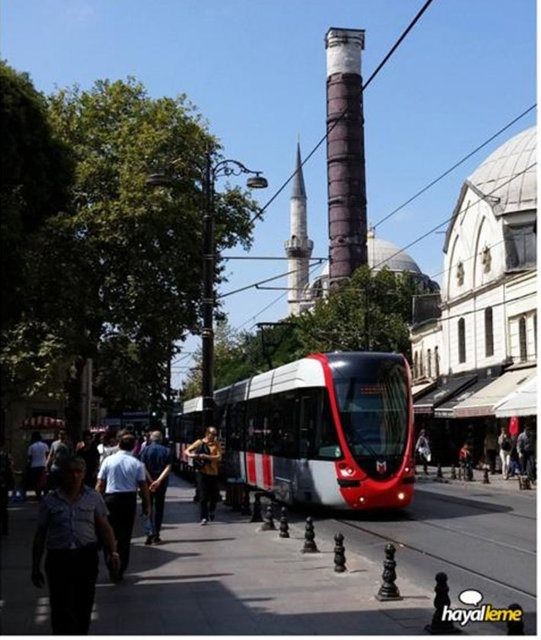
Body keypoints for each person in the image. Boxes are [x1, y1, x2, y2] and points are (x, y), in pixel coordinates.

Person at [31, 456, 119, 635]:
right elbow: (40, 534)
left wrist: (113, 552)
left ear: (84, 474)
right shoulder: (50, 501)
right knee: (60, 605)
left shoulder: (93, 497)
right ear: (62, 474)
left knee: (84, 604)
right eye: (70, 471)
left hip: (85, 557)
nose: (74, 476)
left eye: (79, 471)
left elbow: (104, 527)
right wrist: (35, 565)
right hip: (59, 558)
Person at [96, 431, 150, 581]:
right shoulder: (138, 464)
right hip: (128, 501)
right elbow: (143, 486)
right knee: (125, 536)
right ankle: (121, 567)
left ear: (119, 444)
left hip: (110, 499)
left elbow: (100, 484)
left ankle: (110, 562)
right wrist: (147, 505)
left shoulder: (108, 461)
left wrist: (94, 502)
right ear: (134, 447)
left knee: (109, 533)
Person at [140, 430, 173, 544]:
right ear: (161, 439)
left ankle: (149, 533)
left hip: (147, 484)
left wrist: (151, 480)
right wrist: (158, 481)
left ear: (151, 439)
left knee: (147, 507)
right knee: (159, 508)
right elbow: (168, 467)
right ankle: (156, 534)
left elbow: (142, 466)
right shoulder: (167, 451)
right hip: (161, 484)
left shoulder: (145, 450)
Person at [186, 427, 222, 525]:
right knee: (203, 496)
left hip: (213, 473)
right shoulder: (199, 442)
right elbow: (187, 451)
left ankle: (212, 510)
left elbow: (219, 457)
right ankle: (204, 517)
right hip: (201, 472)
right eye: (212, 434)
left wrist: (207, 457)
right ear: (207, 433)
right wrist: (193, 455)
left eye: (215, 434)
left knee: (214, 496)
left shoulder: (216, 444)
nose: (214, 436)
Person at [27, 431, 49, 500]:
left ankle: (38, 495)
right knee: (43, 481)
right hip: (43, 465)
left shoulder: (31, 447)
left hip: (34, 466)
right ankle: (45, 494)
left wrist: (28, 466)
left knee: (36, 482)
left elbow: (29, 458)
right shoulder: (45, 445)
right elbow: (47, 455)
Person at [0, 436, 14, 535]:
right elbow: (9, 472)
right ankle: (4, 529)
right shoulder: (5, 456)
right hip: (3, 485)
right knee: (4, 508)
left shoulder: (5, 457)